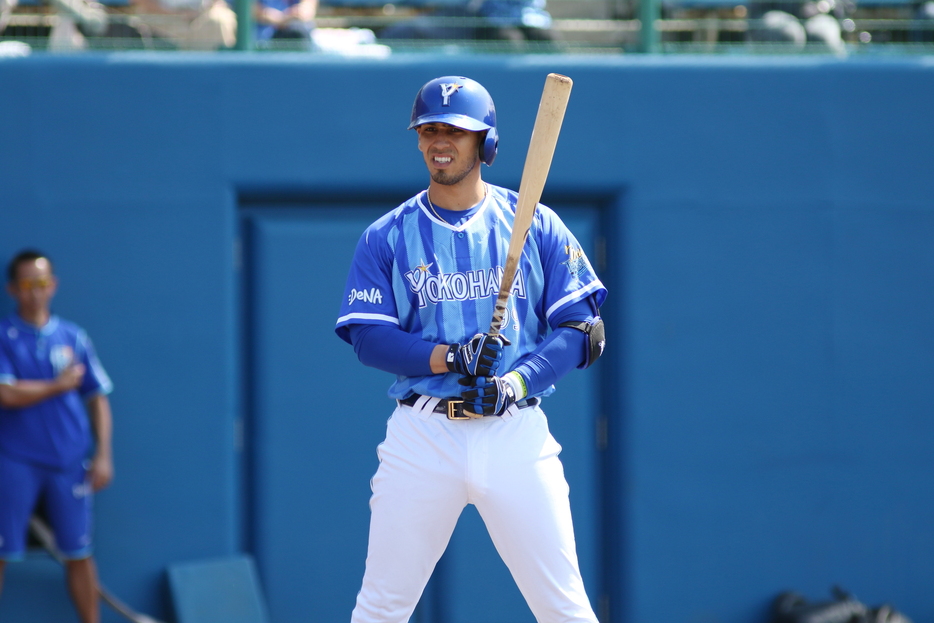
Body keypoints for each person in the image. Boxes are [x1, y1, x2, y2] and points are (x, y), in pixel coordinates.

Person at [335, 76, 607, 623]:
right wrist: (451, 357)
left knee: (565, 609)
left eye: (455, 131)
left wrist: (515, 381)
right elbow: (367, 337)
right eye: (430, 129)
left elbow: (585, 331)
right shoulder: (387, 235)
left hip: (515, 432)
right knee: (381, 608)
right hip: (423, 433)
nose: (441, 140)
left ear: (485, 142)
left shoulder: (534, 224)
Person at [0, 250, 115, 623]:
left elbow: (96, 397)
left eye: (43, 283)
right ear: (13, 289)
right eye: (28, 285)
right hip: (15, 460)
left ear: (54, 285)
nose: (36, 292)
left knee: (79, 552)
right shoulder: (4, 337)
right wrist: (57, 385)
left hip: (68, 462)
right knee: (2, 551)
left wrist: (103, 455)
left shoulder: (73, 336)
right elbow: (7, 394)